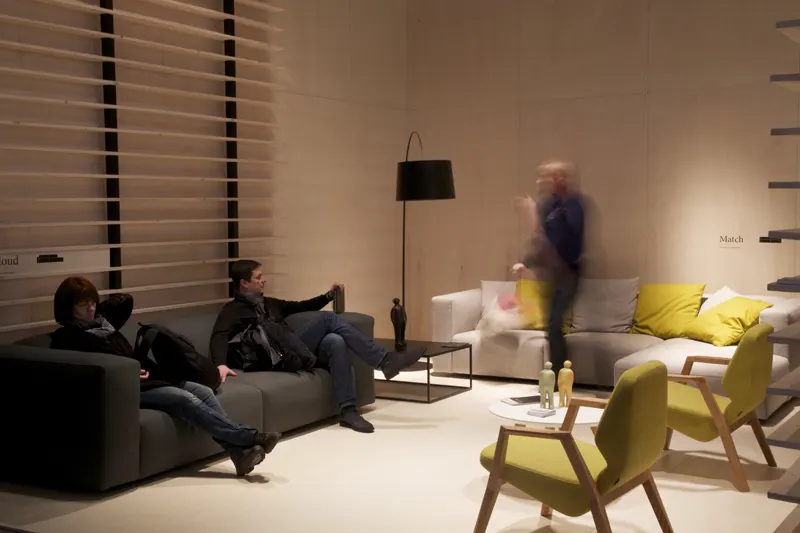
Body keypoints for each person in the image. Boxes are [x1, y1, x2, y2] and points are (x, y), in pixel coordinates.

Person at [50, 276, 280, 477]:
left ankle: (238, 454)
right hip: (126, 388)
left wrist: (96, 307)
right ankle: (249, 437)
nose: (91, 309)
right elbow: (91, 367)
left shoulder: (105, 326)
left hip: (149, 379)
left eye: (93, 302)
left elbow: (124, 301)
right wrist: (126, 371)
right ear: (67, 308)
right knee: (183, 398)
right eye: (83, 304)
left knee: (203, 391)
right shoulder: (68, 337)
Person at [210, 260, 427, 434]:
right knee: (328, 320)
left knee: (335, 341)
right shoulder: (232, 310)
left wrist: (328, 296)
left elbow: (302, 306)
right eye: (258, 277)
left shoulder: (269, 303)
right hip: (274, 359)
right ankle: (384, 360)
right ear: (244, 283)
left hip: (293, 349)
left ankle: (348, 411)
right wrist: (220, 364)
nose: (263, 280)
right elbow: (218, 336)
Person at [513, 159, 585, 388]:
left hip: (568, 274)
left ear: (559, 178)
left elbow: (566, 241)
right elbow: (538, 239)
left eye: (545, 176)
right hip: (550, 275)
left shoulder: (575, 204)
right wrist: (526, 262)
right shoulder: (547, 204)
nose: (540, 181)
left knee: (554, 325)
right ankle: (556, 376)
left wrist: (534, 214)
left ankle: (560, 380)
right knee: (551, 327)